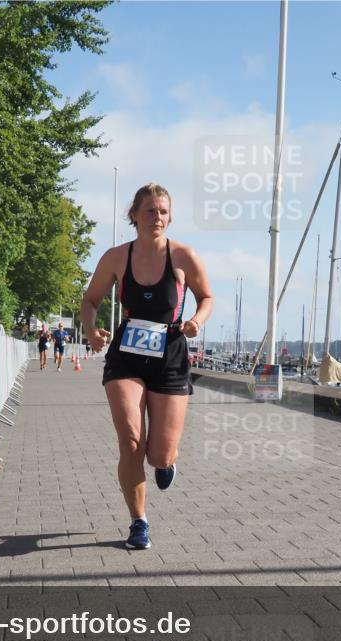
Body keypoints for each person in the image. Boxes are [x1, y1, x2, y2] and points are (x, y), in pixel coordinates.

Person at [83, 183, 213, 550]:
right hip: (126, 354)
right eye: (150, 210)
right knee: (130, 441)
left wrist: (196, 322)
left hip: (170, 353)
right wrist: (92, 330)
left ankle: (167, 462)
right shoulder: (115, 257)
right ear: (134, 215)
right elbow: (90, 300)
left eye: (164, 212)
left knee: (158, 454)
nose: (158, 217)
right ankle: (138, 522)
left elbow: (207, 296)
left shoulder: (183, 256)